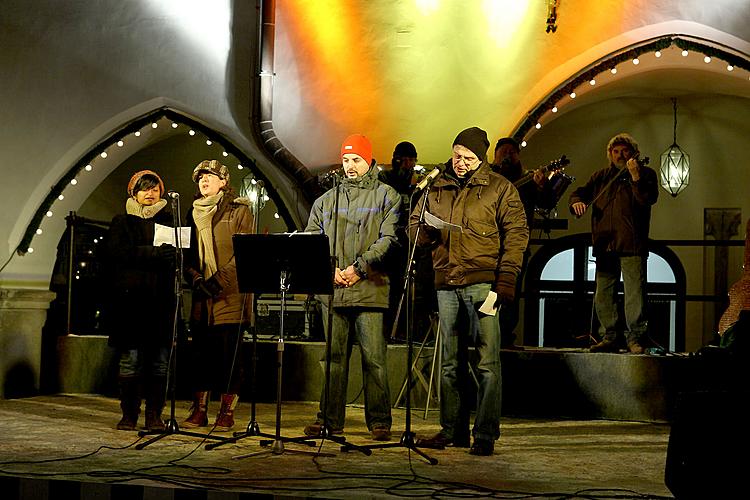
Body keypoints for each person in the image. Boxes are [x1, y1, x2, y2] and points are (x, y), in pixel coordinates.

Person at [412, 127, 529, 456]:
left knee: (487, 361)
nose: (460, 162)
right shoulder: (437, 186)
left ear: (481, 158)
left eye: (468, 157)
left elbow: (517, 233)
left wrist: (506, 279)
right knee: (450, 362)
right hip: (446, 284)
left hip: (484, 286)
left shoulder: (499, 188)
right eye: (456, 155)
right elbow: (413, 221)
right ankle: (452, 429)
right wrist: (422, 234)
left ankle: (486, 434)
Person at [303, 134, 401, 441]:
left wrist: (359, 268)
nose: (349, 166)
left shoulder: (387, 196)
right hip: (333, 290)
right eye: (345, 160)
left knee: (374, 359)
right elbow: (311, 239)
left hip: (369, 287)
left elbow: (389, 238)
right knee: (332, 358)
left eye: (355, 159)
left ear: (369, 160)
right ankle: (330, 419)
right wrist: (329, 270)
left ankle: (380, 420)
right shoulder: (325, 201)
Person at [568, 133, 658, 354]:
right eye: (615, 151)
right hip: (605, 243)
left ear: (633, 153)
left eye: (624, 151)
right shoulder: (600, 177)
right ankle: (610, 335)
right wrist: (577, 202)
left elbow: (647, 199)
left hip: (631, 242)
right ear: (609, 154)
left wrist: (636, 176)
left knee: (635, 293)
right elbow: (579, 193)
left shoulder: (646, 174)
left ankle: (635, 337)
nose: (620, 155)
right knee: (603, 293)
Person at [182, 159, 254, 431]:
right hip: (203, 297)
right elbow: (188, 253)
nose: (204, 180)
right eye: (200, 177)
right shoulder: (192, 212)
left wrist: (218, 281)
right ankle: (199, 410)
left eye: (210, 176)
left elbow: (243, 254)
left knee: (229, 358)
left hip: (230, 297)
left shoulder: (239, 211)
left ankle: (226, 413)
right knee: (200, 356)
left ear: (223, 182)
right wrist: (196, 278)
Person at [105, 170, 176, 431]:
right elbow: (117, 253)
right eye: (144, 189)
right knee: (130, 359)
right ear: (134, 192)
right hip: (130, 304)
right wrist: (154, 254)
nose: (150, 193)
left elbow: (176, 256)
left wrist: (164, 256)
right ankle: (129, 414)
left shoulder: (169, 220)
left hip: (160, 302)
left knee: (159, 361)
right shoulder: (121, 222)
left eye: (154, 189)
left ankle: (154, 414)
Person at [491, 137, 554, 349]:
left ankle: (506, 336)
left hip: (516, 247)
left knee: (511, 292)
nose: (508, 155)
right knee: (489, 292)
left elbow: (546, 202)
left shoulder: (527, 180)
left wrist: (542, 185)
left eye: (512, 151)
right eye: (504, 151)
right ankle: (488, 334)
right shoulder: (488, 177)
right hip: (488, 246)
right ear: (495, 155)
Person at [378, 141, 435, 343]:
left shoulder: (418, 185)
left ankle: (406, 330)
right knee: (391, 290)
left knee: (412, 289)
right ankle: (389, 329)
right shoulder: (384, 180)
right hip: (389, 244)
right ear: (396, 160)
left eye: (412, 160)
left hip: (409, 245)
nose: (409, 164)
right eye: (405, 160)